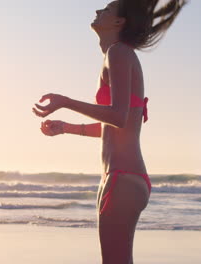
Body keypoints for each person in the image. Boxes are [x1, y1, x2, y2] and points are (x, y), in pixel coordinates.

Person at [32, 0, 187, 263]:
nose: (97, 11)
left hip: (123, 177)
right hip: (120, 177)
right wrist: (67, 128)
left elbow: (118, 116)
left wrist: (66, 102)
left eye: (106, 9)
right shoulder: (117, 55)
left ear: (118, 22)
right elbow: (117, 125)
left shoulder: (118, 53)